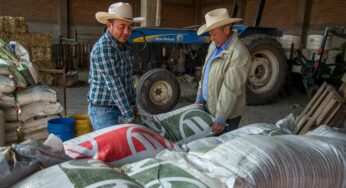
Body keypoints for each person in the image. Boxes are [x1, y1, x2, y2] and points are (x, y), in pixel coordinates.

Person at [195, 8, 251, 135]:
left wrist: (220, 118)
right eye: (210, 34)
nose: (211, 39)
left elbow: (230, 89)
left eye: (214, 34)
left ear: (226, 30)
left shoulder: (239, 54)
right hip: (208, 107)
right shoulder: (214, 45)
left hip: (226, 116)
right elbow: (206, 72)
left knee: (219, 149)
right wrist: (199, 97)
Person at [88, 2, 139, 130]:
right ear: (109, 25)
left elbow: (127, 79)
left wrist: (133, 105)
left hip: (122, 107)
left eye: (129, 27)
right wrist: (130, 117)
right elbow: (114, 84)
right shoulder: (103, 49)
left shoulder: (125, 46)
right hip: (104, 112)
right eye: (122, 27)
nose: (126, 32)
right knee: (112, 149)